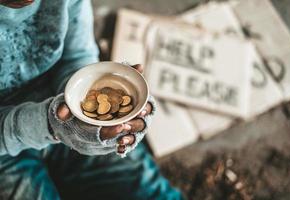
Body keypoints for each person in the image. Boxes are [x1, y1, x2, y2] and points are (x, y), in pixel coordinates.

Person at [0, 0, 184, 199]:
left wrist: (86, 109)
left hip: (58, 108)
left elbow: (76, 56)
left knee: (153, 193)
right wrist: (48, 125)